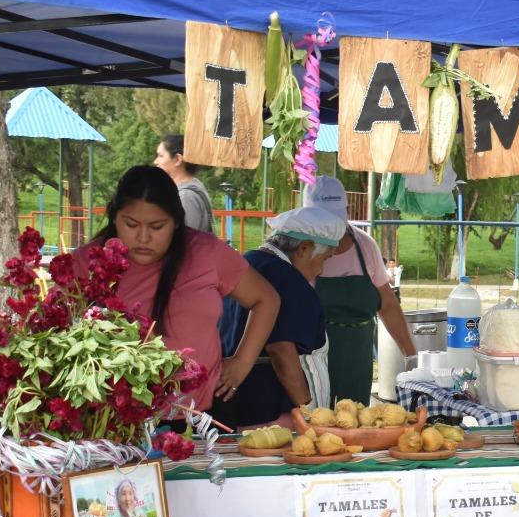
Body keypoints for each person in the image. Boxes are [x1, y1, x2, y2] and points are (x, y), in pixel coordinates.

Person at [80, 165, 279, 412]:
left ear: (176, 221)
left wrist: (242, 362)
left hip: (198, 415)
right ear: (113, 216)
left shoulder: (207, 252)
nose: (143, 237)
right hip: (111, 419)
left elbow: (266, 299)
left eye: (157, 227)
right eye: (131, 224)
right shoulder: (88, 262)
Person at [217, 206, 348, 428]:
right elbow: (281, 350)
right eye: (325, 259)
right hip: (271, 411)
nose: (322, 270)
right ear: (305, 248)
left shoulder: (246, 263)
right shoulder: (290, 281)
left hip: (233, 404)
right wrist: (308, 415)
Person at [306, 176, 419, 405]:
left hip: (358, 357)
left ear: (346, 211)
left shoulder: (365, 246)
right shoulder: (299, 250)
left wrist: (411, 355)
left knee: (355, 422)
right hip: (313, 358)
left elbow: (387, 304)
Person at [154, 133, 216, 233]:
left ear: (178, 159)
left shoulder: (185, 196)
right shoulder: (193, 186)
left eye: (161, 156)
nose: (156, 161)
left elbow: (183, 240)